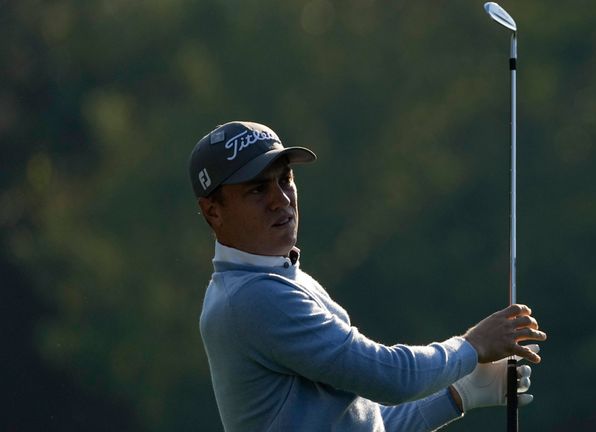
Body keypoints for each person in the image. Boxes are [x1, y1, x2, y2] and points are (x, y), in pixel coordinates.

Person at [189, 121, 547, 431]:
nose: (280, 199)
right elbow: (391, 378)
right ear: (213, 211)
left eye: (285, 179)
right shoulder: (254, 298)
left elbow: (369, 425)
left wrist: (461, 393)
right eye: (257, 189)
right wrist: (472, 346)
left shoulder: (282, 278)